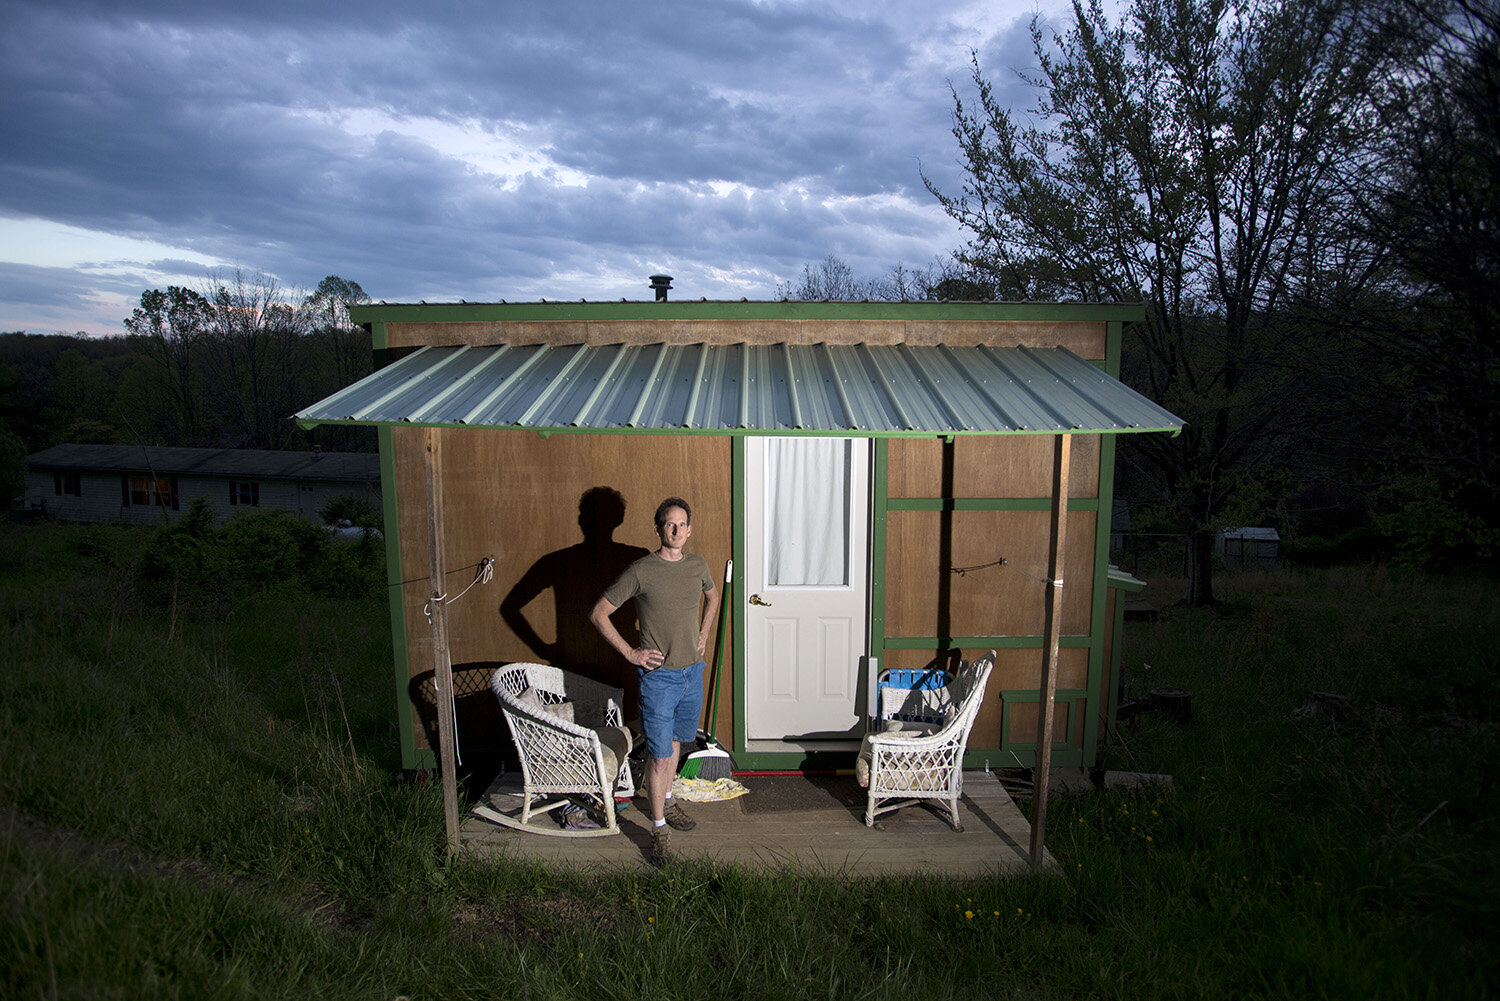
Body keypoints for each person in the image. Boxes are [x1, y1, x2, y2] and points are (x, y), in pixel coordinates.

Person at [589, 497, 719, 865]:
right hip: (659, 679)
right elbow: (599, 614)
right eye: (669, 524)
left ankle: (666, 800)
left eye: (682, 524)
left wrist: (704, 633)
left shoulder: (697, 565)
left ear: (690, 529)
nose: (676, 530)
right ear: (658, 528)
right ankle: (658, 828)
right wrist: (631, 653)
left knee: (677, 743)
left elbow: (712, 596)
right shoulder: (641, 570)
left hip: (693, 673)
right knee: (660, 757)